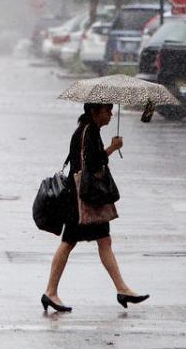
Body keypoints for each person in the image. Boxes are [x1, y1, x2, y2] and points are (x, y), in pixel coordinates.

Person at [41, 102, 150, 312]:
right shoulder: (87, 132)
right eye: (107, 110)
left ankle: (121, 288)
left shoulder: (89, 130)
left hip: (84, 198)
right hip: (81, 199)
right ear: (94, 112)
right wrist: (112, 148)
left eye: (111, 110)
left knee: (101, 241)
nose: (111, 114)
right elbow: (91, 163)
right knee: (70, 242)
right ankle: (51, 292)